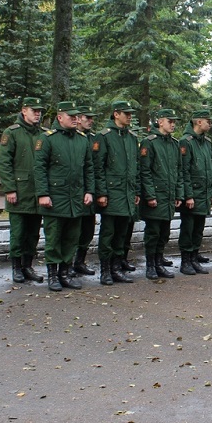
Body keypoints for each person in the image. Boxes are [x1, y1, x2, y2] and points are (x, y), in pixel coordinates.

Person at [34, 101, 95, 291]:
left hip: (76, 197)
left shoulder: (82, 139)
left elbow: (89, 168)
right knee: (54, 238)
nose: (76, 119)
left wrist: (89, 191)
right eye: (72, 116)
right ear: (60, 117)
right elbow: (39, 168)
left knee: (71, 237)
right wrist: (43, 194)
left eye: (77, 116)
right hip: (56, 197)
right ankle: (53, 274)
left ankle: (65, 272)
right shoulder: (48, 139)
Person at [0, 97, 46, 284]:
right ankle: (16, 267)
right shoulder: (12, 133)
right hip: (19, 192)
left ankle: (28, 265)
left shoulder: (42, 134)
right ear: (24, 111)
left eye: (40, 111)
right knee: (18, 233)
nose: (38, 114)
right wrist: (10, 189)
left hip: (37, 193)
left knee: (33, 233)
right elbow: (3, 162)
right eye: (34, 110)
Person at [93, 99, 139, 285]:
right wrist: (102, 193)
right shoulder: (104, 136)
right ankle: (105, 270)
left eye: (130, 114)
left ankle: (117, 267)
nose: (129, 116)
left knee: (122, 233)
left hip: (127, 194)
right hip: (111, 194)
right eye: (125, 113)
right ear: (116, 114)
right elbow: (98, 168)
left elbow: (135, 167)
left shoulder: (132, 138)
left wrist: (136, 190)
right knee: (108, 233)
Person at [139, 108, 183, 280]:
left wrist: (179, 194)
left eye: (174, 121)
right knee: (153, 232)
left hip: (169, 196)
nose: (173, 124)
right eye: (169, 121)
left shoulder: (174, 143)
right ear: (160, 122)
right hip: (156, 196)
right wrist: (150, 195)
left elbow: (178, 171)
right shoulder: (149, 142)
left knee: (164, 232)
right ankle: (150, 265)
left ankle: (158, 262)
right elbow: (145, 171)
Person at [178, 109, 212, 276]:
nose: (210, 124)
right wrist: (188, 195)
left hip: (204, 194)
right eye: (208, 121)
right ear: (199, 122)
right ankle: (186, 261)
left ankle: (194, 258)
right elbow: (184, 171)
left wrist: (211, 193)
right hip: (192, 195)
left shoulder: (207, 143)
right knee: (188, 228)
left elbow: (210, 171)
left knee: (198, 229)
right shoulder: (186, 142)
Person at [72, 108, 98, 277]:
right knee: (73, 230)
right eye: (87, 118)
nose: (91, 121)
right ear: (79, 119)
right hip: (75, 190)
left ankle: (80, 262)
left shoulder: (95, 139)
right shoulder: (72, 137)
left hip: (91, 190)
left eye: (92, 118)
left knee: (88, 230)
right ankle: (68, 263)